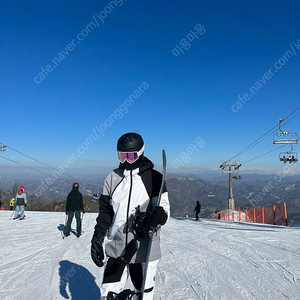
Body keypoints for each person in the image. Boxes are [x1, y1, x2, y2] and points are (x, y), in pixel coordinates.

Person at [91, 132, 170, 300]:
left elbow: (164, 208)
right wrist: (97, 237)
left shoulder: (154, 178)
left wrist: (159, 216)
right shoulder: (112, 178)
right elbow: (105, 212)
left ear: (140, 153)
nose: (126, 160)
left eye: (131, 156)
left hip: (144, 248)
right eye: (122, 156)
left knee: (143, 295)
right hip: (116, 247)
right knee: (108, 294)